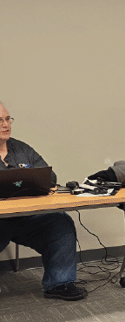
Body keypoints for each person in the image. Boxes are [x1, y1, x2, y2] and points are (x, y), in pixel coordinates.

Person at [0, 101, 86, 300]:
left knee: (60, 223)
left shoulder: (21, 148)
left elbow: (50, 177)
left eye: (7, 119)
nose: (5, 125)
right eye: (0, 121)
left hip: (27, 217)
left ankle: (60, 283)